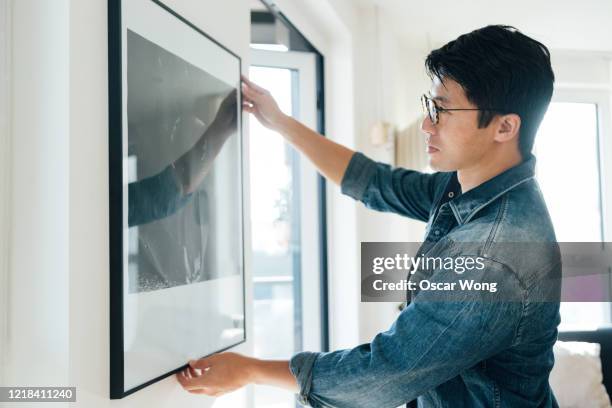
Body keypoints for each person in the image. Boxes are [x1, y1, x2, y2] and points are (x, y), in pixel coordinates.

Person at [177, 25, 561, 407]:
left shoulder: (494, 255)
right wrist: (279, 122)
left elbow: (383, 373)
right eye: (430, 106)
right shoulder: (464, 186)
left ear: (505, 127)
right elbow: (374, 182)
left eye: (442, 110)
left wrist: (249, 371)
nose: (427, 124)